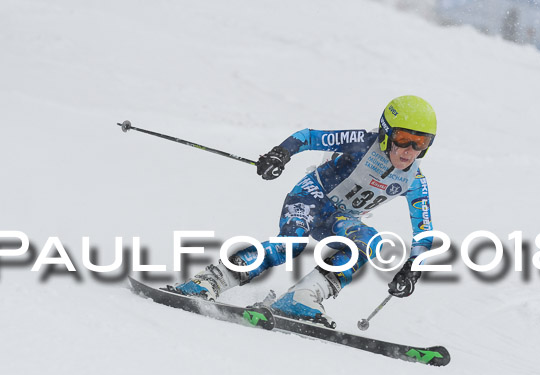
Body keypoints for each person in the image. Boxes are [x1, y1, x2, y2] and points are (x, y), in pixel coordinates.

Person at [175, 96, 437, 327]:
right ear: (386, 133)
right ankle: (210, 281)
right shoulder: (362, 143)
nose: (410, 151)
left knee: (370, 243)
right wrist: (280, 154)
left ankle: (301, 298)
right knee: (291, 243)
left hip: (341, 218)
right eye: (403, 139)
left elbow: (423, 231)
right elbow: (309, 136)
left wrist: (413, 267)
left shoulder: (415, 181)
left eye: (421, 143)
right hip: (312, 196)